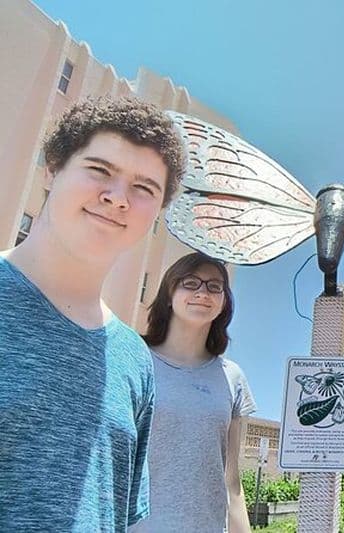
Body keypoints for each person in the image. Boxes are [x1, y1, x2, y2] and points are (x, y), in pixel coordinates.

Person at [0, 97, 185, 531]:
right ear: (52, 169)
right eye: (100, 171)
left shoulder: (135, 359)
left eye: (144, 189)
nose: (118, 198)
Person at [129, 252, 256, 532]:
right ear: (169, 293)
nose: (202, 292)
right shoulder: (133, 358)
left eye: (214, 286)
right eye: (190, 283)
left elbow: (232, 482)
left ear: (224, 303)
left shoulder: (232, 377)